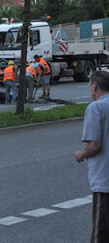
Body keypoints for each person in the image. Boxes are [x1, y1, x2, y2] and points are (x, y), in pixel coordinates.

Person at [74, 71, 109, 243]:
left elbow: (95, 145)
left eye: (90, 86)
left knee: (101, 233)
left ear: (95, 86)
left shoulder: (96, 108)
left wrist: (82, 154)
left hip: (105, 182)